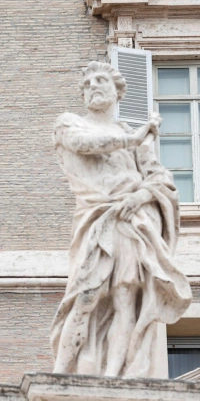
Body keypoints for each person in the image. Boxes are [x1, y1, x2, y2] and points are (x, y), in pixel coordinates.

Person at [50, 61, 191, 377]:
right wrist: (135, 138)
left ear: (117, 92)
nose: (92, 87)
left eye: (100, 80)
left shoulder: (132, 135)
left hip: (131, 221)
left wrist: (140, 196)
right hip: (95, 220)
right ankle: (60, 374)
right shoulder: (70, 123)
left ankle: (115, 376)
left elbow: (159, 178)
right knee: (85, 296)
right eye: (87, 84)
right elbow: (83, 145)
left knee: (126, 298)